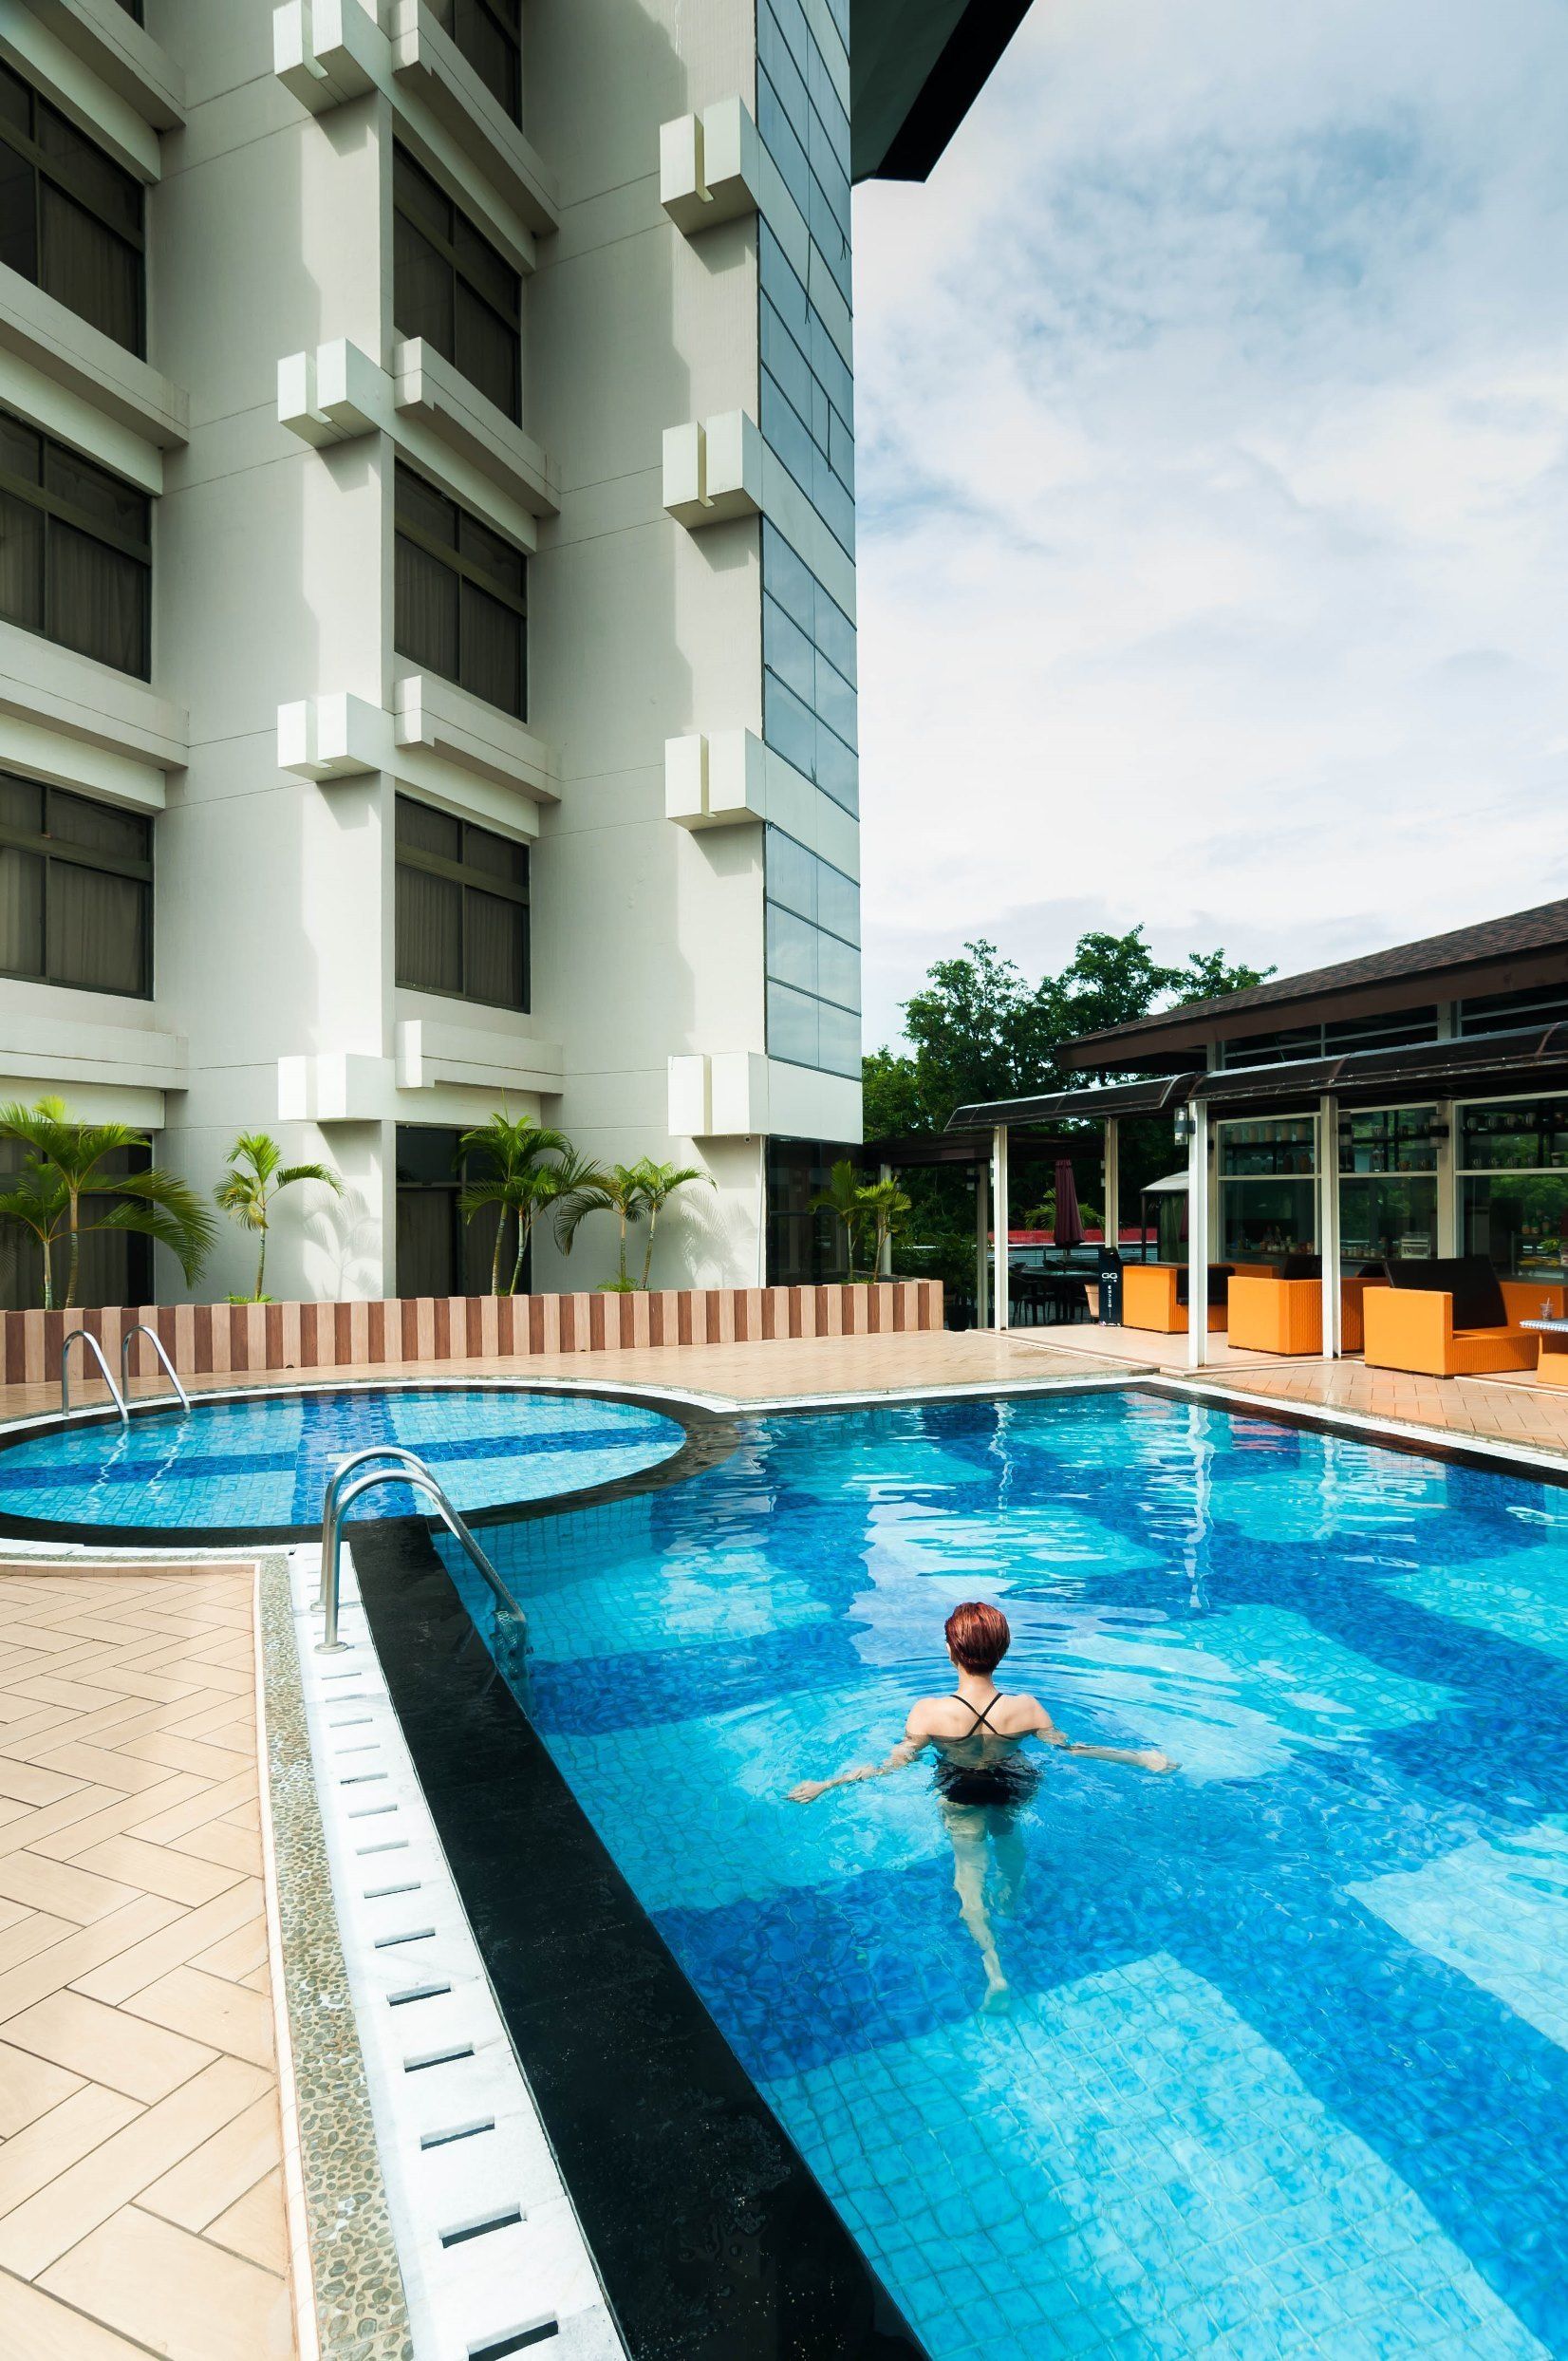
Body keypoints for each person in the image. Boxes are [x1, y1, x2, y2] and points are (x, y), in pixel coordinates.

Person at [788, 1601, 1174, 2007]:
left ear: (951, 1650)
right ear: (1003, 1650)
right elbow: (1073, 1749)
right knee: (1009, 1834)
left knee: (968, 1872)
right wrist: (1140, 1757)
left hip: (960, 1789)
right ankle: (1010, 1893)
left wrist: (827, 1784)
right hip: (1014, 1783)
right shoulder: (1027, 1707)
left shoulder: (928, 1712)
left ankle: (994, 1968)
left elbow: (891, 1767)